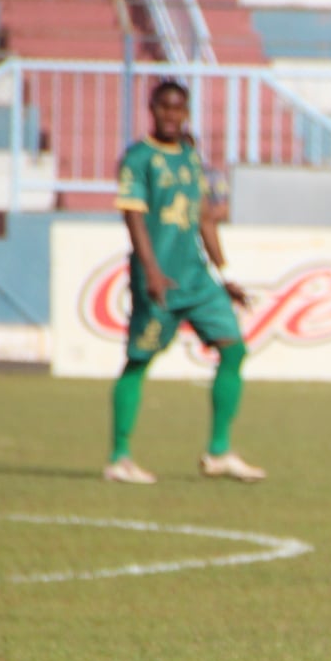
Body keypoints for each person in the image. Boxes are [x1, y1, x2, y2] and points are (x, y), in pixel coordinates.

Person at [106, 80, 265, 485]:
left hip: (197, 278)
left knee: (234, 349)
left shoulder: (191, 157)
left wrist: (223, 274)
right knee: (139, 360)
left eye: (178, 109)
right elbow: (133, 216)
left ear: (187, 112)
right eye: (164, 108)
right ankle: (119, 457)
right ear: (152, 109)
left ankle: (219, 452)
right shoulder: (139, 159)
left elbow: (203, 217)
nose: (171, 116)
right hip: (158, 280)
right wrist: (151, 270)